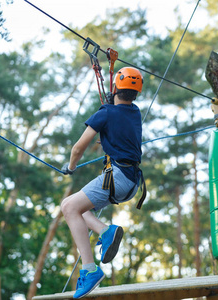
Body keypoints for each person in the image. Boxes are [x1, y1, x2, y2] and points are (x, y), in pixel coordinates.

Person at [60, 67, 145, 299]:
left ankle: (89, 269)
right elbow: (120, 110)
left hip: (117, 177)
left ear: (115, 88)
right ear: (136, 94)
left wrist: (71, 167)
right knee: (80, 210)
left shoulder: (106, 113)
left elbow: (78, 147)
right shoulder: (134, 113)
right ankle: (105, 232)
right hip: (130, 182)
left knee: (68, 207)